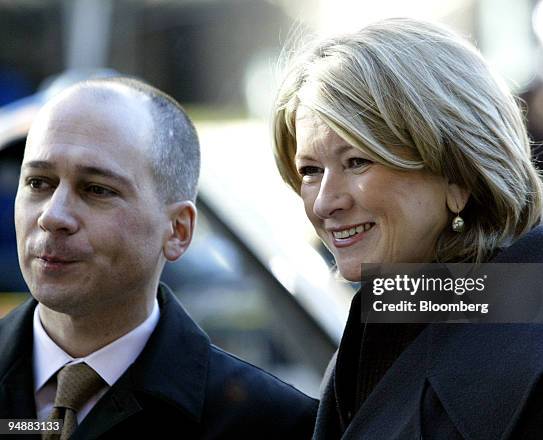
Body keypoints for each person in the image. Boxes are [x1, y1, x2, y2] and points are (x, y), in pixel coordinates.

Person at [272, 18, 543, 439]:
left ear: (459, 177)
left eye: (357, 161)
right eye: (309, 170)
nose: (325, 202)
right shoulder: (395, 319)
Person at [0, 77, 316, 439]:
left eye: (97, 190)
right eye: (38, 183)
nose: (53, 216)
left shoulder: (271, 424)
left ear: (178, 230)